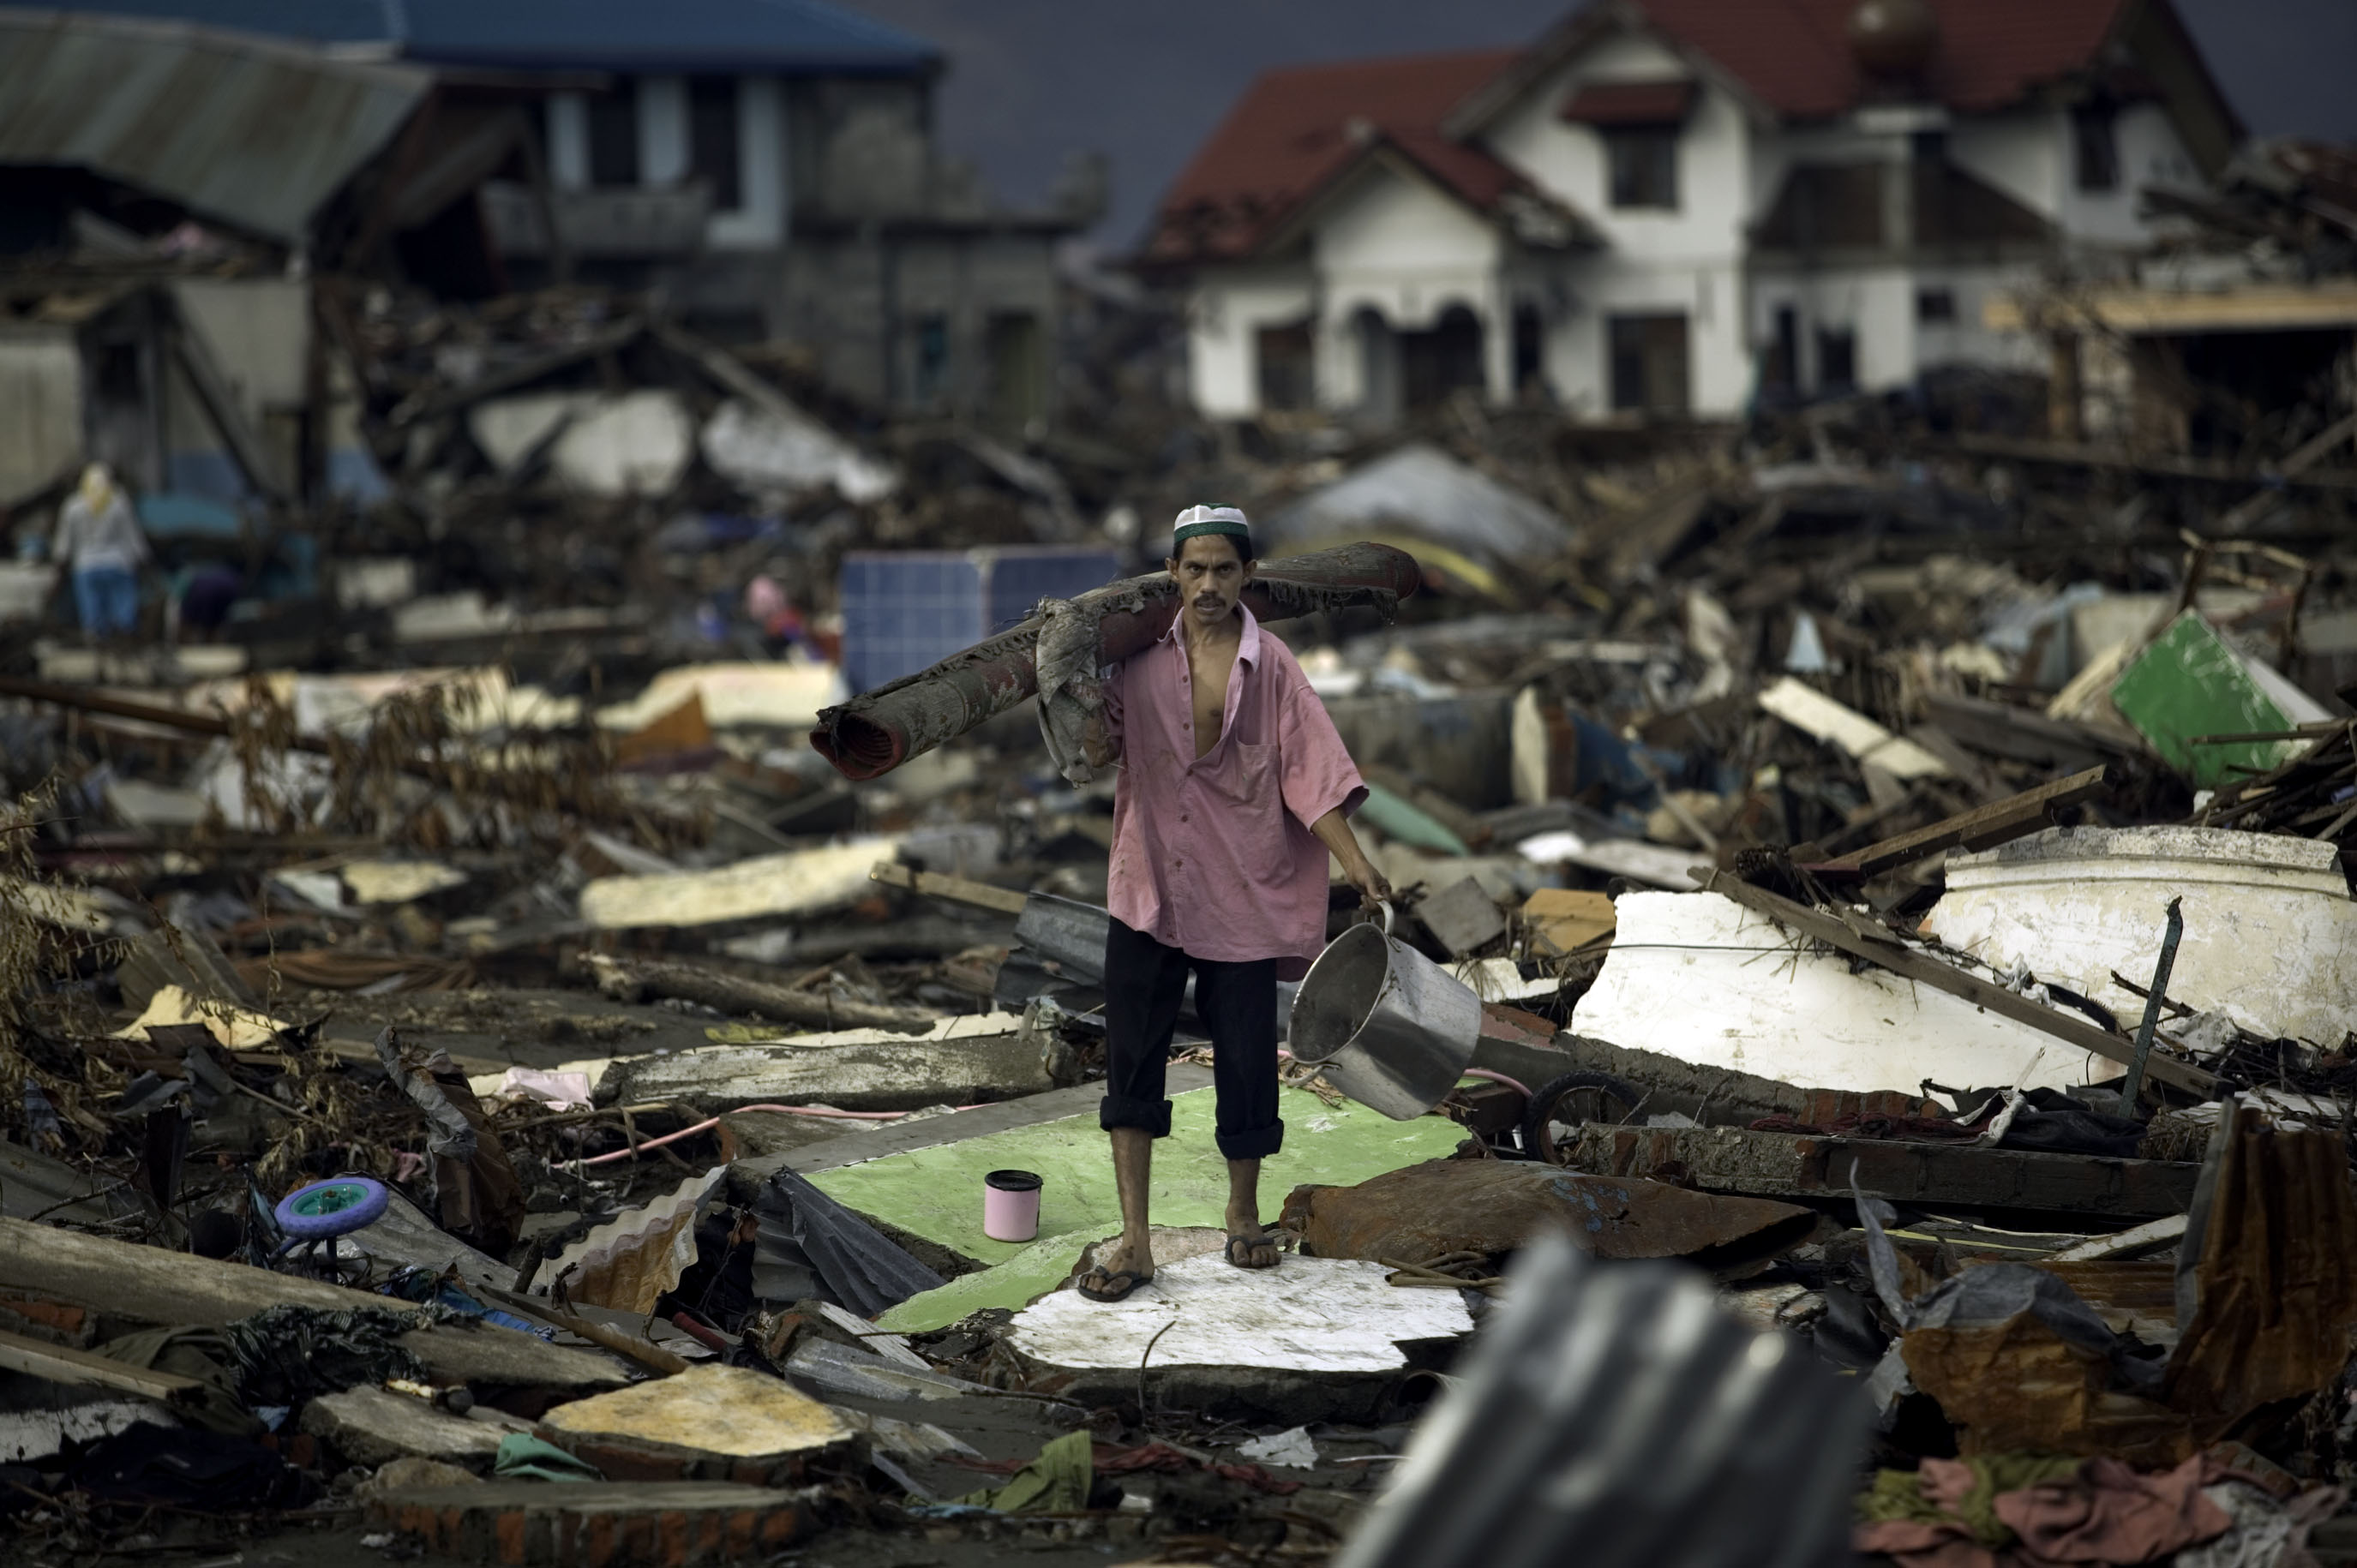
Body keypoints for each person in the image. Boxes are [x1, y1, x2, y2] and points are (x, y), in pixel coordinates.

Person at [1076, 504, 1391, 1303]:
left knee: (1248, 1064)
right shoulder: (1138, 660)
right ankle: (1136, 1241)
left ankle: (1243, 1215)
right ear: (1172, 576)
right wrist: (1067, 688)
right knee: (1132, 1062)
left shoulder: (1273, 666)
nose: (1209, 583)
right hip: (1149, 885)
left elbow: (1313, 776)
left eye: (1224, 568)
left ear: (1246, 575)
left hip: (1242, 895)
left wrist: (1358, 863)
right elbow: (1091, 747)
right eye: (1195, 568)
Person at [51, 464, 148, 642]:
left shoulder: (73, 505)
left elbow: (64, 542)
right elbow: (132, 535)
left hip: (86, 566)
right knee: (123, 612)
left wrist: (59, 562)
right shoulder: (119, 502)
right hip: (119, 564)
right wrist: (143, 558)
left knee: (92, 614)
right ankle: (124, 640)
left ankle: (96, 642)